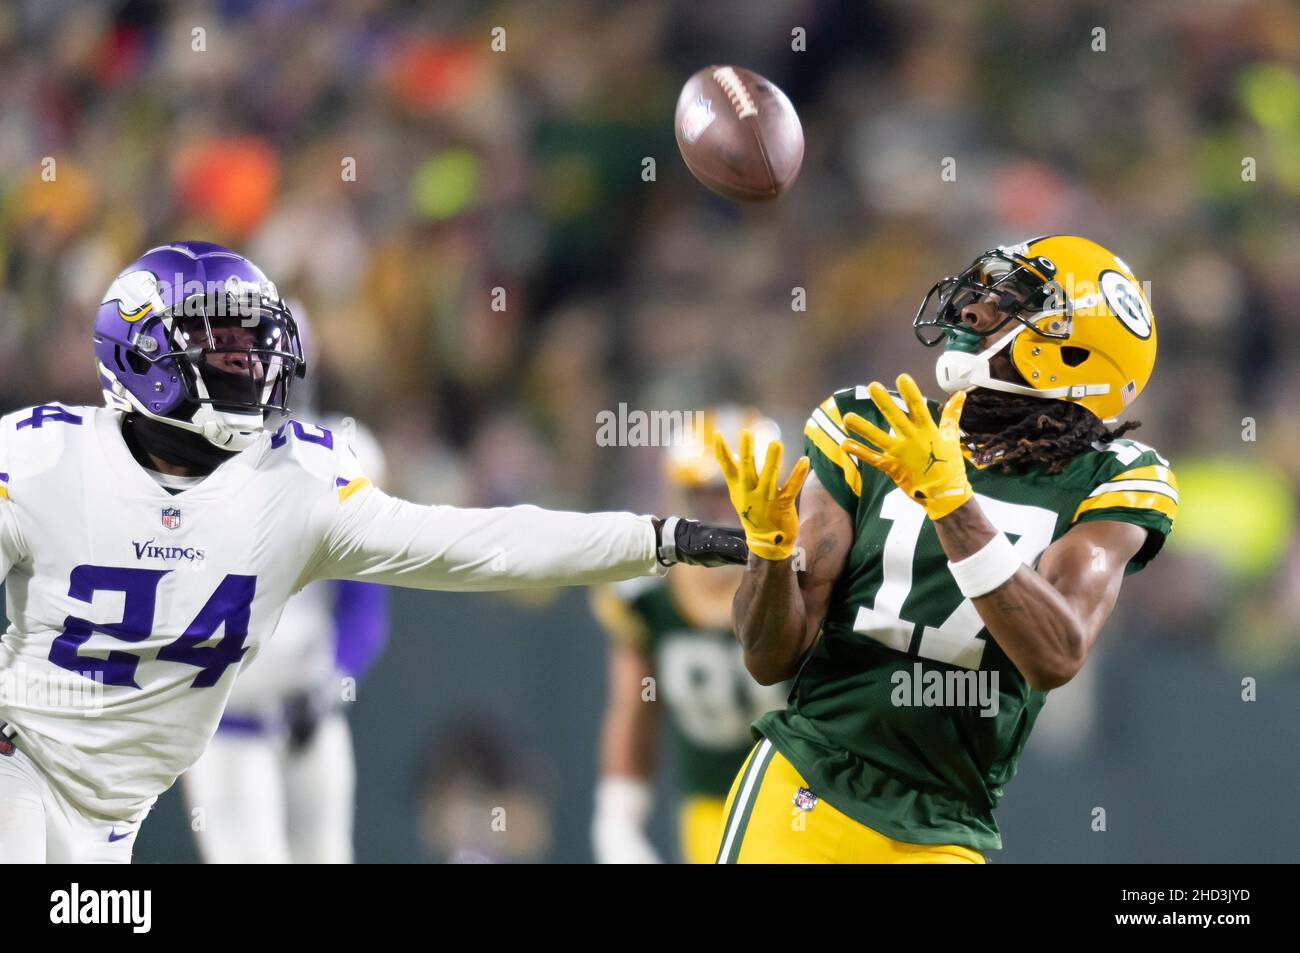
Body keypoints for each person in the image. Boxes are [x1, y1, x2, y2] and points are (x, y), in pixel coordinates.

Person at [0, 240, 744, 863]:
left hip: (118, 803)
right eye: (224, 348)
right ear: (146, 358)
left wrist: (660, 537)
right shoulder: (42, 461)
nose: (252, 364)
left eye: (256, 344)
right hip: (24, 758)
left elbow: (480, 546)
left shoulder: (293, 483)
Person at [712, 236, 1178, 863]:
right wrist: (769, 556)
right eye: (981, 294)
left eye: (1011, 305)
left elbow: (1056, 653)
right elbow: (770, 659)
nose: (970, 312)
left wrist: (952, 503)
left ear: (1071, 350)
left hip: (947, 823)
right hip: (809, 779)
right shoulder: (873, 427)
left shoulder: (1110, 478)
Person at [182, 414, 388, 864]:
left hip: (309, 713)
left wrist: (331, 684)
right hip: (225, 721)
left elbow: (365, 606)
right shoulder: (186, 460)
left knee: (327, 856)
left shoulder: (337, 455)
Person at [590, 409, 786, 864]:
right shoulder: (648, 595)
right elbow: (633, 712)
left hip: (807, 798)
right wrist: (617, 819)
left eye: (733, 493)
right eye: (703, 494)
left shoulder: (809, 577)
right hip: (710, 807)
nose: (717, 512)